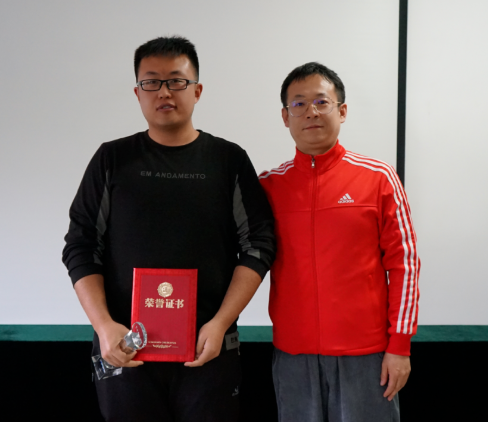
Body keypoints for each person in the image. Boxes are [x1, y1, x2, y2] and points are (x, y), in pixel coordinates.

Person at [62, 36, 275, 422]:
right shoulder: (112, 159)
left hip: (208, 348)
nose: (164, 91)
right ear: (137, 93)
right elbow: (81, 246)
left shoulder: (228, 160)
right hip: (125, 348)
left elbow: (258, 244)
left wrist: (220, 323)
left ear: (197, 90)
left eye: (176, 80)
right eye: (151, 82)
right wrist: (104, 326)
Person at [258, 62, 420, 422]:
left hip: (366, 355)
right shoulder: (268, 186)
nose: (311, 112)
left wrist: (400, 346)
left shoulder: (378, 178)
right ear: (285, 116)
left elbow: (405, 266)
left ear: (342, 111)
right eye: (298, 104)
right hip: (293, 356)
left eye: (321, 102)